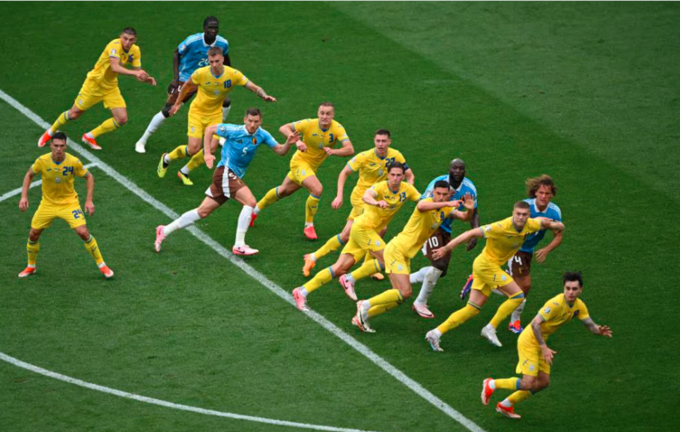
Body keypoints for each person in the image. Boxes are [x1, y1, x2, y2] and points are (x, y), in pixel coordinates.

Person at [154, 108, 298, 255]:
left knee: (202, 211)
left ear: (260, 121)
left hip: (231, 177)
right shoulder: (234, 130)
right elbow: (210, 130)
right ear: (245, 120)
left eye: (256, 122)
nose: (252, 125)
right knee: (250, 202)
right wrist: (207, 153)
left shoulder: (262, 134)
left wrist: (288, 143)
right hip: (224, 172)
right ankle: (239, 245)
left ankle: (164, 230)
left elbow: (280, 151)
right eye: (250, 121)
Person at [424, 201, 565, 351]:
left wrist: (554, 225)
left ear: (528, 215)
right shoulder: (501, 227)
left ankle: (435, 333)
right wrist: (446, 248)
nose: (521, 217)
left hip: (486, 266)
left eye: (524, 214)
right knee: (518, 296)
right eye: (518, 214)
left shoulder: (532, 224)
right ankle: (490, 328)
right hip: (486, 266)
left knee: (472, 309)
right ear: (513, 213)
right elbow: (470, 233)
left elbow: (556, 226)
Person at [480, 272, 612, 419]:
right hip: (529, 341)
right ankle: (492, 384)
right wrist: (543, 347)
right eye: (568, 288)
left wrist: (599, 330)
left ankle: (506, 405)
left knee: (543, 382)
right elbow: (535, 324)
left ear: (580, 290)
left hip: (541, 342)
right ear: (563, 288)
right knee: (527, 383)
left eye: (574, 289)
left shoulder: (579, 306)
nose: (570, 292)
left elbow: (590, 325)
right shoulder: (555, 304)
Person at [292, 162, 419, 311]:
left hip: (365, 231)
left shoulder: (407, 189)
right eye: (393, 175)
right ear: (387, 175)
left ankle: (302, 291)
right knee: (389, 258)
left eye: (398, 175)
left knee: (339, 268)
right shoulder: (380, 187)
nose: (395, 178)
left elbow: (422, 200)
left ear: (403, 176)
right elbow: (366, 196)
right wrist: (377, 203)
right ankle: (350, 279)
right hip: (363, 229)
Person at [352, 182, 474, 333]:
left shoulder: (446, 208)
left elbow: (464, 217)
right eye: (438, 193)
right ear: (433, 193)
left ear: (449, 194)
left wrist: (470, 209)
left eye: (444, 194)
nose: (441, 197)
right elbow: (421, 206)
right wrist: (447, 202)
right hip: (396, 250)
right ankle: (364, 304)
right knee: (405, 292)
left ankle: (363, 316)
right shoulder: (427, 202)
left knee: (399, 297)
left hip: (405, 254)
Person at [302, 129, 414, 277]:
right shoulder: (364, 156)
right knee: (380, 228)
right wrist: (339, 196)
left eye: (384, 141)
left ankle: (313, 256)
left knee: (345, 235)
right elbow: (344, 172)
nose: (380, 144)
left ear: (389, 142)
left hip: (377, 199)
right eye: (378, 141)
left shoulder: (396, 155)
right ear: (374, 141)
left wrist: (405, 191)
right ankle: (368, 266)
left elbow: (410, 175)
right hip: (362, 198)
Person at [156, 46, 275, 186]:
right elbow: (186, 86)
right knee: (193, 149)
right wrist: (177, 104)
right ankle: (167, 158)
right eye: (211, 61)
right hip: (197, 112)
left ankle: (184, 171)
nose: (214, 65)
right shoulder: (201, 73)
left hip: (215, 114)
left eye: (217, 61)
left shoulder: (233, 74)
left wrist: (264, 95)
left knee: (211, 149)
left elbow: (254, 87)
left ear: (222, 59)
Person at [37, 28, 156, 151]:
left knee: (121, 119)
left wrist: (144, 79)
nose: (127, 42)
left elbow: (137, 72)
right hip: (94, 85)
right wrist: (135, 73)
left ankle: (89, 136)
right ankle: (50, 132)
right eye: (125, 38)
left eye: (131, 40)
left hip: (110, 86)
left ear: (135, 40)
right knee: (74, 114)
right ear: (120, 36)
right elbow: (115, 67)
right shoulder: (114, 45)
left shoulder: (135, 50)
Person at [251, 103, 354, 240]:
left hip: (311, 168)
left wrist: (334, 151)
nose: (324, 116)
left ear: (333, 115)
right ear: (318, 113)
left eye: (328, 114)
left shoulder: (337, 128)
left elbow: (350, 149)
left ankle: (254, 211)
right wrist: (297, 141)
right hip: (299, 162)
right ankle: (309, 225)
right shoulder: (309, 123)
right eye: (322, 113)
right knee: (317, 189)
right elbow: (284, 128)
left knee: (283, 191)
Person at [19, 132, 113, 278]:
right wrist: (23, 196)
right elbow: (29, 175)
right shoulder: (42, 161)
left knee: (83, 232)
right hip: (48, 204)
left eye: (61, 146)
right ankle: (31, 266)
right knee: (33, 234)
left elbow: (89, 177)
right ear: (50, 145)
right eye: (56, 145)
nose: (58, 149)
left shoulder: (73, 162)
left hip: (69, 204)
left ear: (66, 146)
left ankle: (102, 265)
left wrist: (89, 200)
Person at [135, 17, 230, 154]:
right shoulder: (193, 41)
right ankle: (142, 140)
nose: (213, 30)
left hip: (207, 79)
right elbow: (176, 53)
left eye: (215, 27)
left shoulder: (223, 43)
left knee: (226, 102)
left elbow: (225, 59)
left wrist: (226, 77)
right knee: (168, 110)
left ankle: (217, 133)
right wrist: (176, 78)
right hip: (187, 79)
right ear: (204, 28)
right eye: (210, 27)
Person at [410, 158, 479, 319]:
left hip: (445, 229)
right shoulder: (438, 184)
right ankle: (420, 302)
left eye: (460, 168)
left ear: (465, 171)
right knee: (438, 264)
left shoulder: (469, 189)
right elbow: (423, 204)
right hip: (430, 225)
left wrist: (474, 232)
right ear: (449, 170)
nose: (457, 171)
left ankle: (405, 280)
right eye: (454, 168)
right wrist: (446, 201)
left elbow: (473, 212)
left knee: (441, 271)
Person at [505, 175, 563, 334]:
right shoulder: (525, 208)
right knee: (523, 286)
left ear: (552, 195)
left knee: (517, 286)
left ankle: (483, 281)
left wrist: (546, 249)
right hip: (514, 247)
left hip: (528, 251)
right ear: (535, 192)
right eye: (541, 193)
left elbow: (558, 236)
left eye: (547, 193)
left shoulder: (554, 212)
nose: (543, 196)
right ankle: (514, 322)